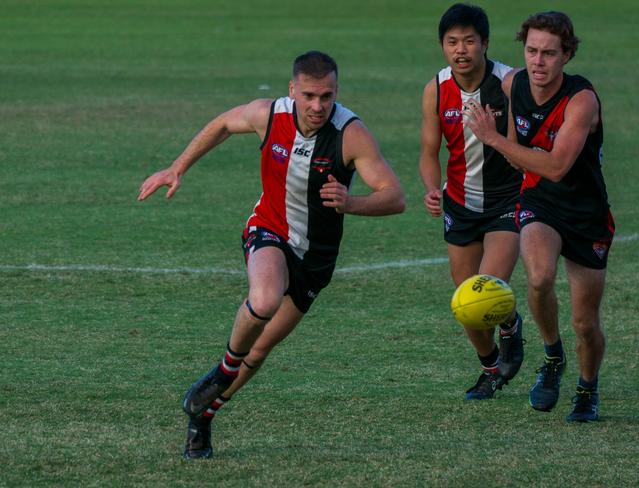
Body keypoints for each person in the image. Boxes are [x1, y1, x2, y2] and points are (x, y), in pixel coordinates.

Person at [138, 50, 405, 458]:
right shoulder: (269, 115)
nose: (318, 106)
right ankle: (223, 370)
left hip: (316, 260)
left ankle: (204, 416)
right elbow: (223, 124)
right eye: (310, 95)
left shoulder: (350, 134)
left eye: (327, 96)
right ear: (293, 90)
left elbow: (395, 198)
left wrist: (351, 203)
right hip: (269, 228)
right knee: (263, 299)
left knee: (261, 349)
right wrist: (177, 167)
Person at [464, 12, 614, 422]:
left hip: (586, 213)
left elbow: (557, 166)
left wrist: (491, 138)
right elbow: (520, 154)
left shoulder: (581, 100)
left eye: (549, 53)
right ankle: (552, 356)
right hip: (539, 201)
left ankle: (587, 389)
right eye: (531, 50)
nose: (538, 61)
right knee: (539, 276)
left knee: (585, 322)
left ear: (567, 55)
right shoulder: (513, 85)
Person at [419, 3, 524, 400]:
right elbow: (429, 152)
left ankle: (510, 323)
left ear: (485, 43)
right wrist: (432, 188)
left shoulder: (511, 83)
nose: (460, 50)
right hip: (460, 204)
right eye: (452, 42)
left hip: (507, 202)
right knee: (465, 303)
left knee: (486, 290)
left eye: (468, 41)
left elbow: (523, 145)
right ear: (443, 46)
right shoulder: (436, 88)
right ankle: (490, 367)